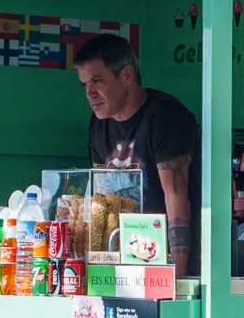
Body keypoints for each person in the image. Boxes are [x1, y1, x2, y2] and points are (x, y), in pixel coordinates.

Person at [74, 33, 200, 274]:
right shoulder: (99, 123)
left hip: (165, 261)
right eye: (84, 84)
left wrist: (178, 276)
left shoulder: (165, 116)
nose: (89, 93)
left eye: (97, 81)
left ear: (127, 75)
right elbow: (102, 201)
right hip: (122, 261)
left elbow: (177, 199)